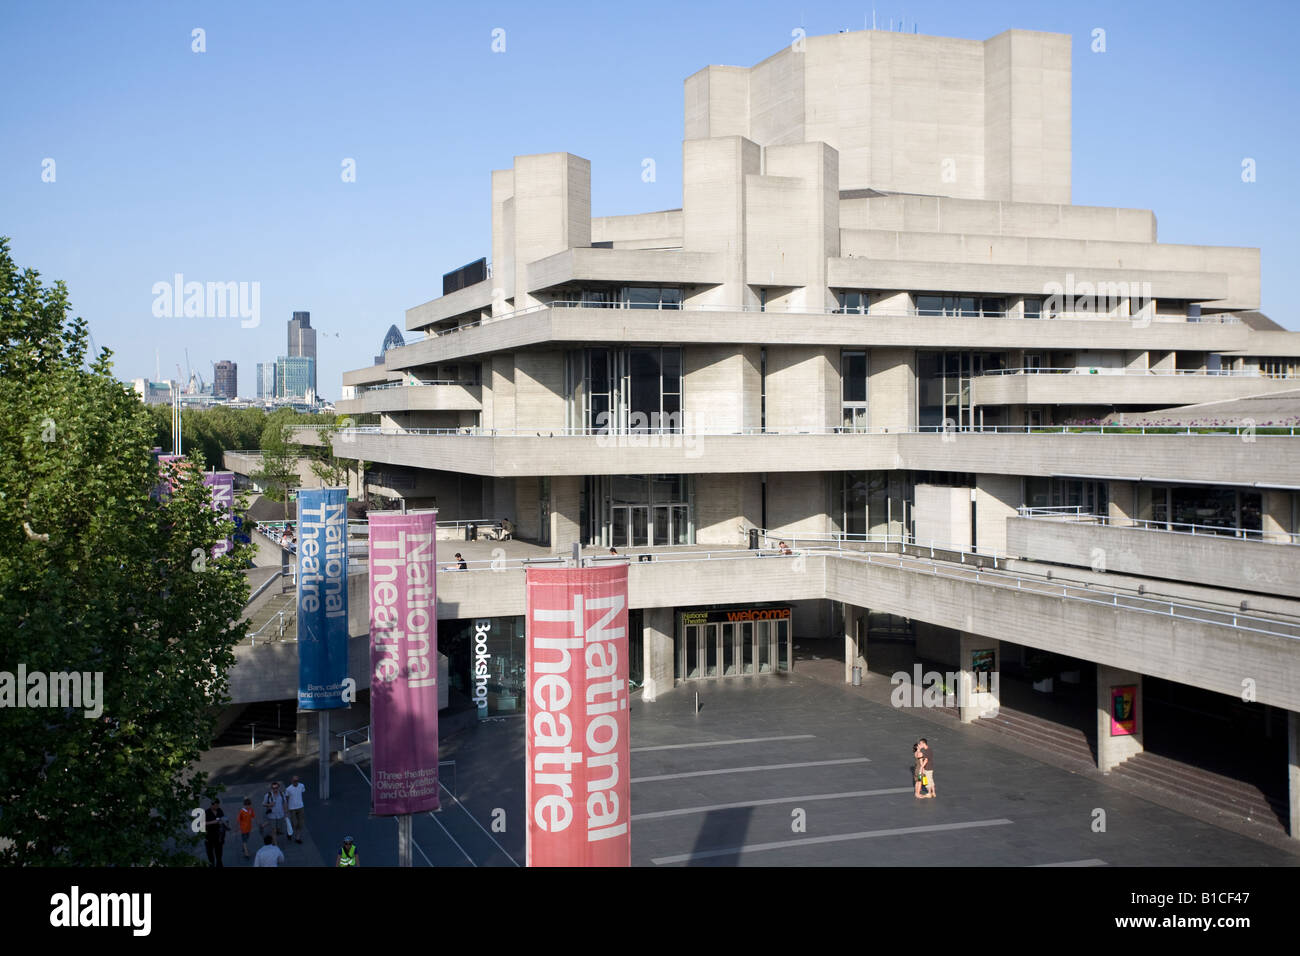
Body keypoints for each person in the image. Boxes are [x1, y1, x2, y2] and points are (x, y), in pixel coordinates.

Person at [204, 797, 228, 867]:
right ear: (212, 805)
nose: (217, 807)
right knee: (210, 856)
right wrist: (214, 822)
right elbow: (203, 823)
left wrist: (225, 823)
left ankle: (219, 864)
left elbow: (223, 819)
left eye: (218, 805)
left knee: (219, 855)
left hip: (219, 837)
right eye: (216, 805)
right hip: (209, 838)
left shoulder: (220, 810)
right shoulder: (207, 812)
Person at [284, 776, 306, 844]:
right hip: (292, 808)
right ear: (292, 781)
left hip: (300, 807)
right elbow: (286, 799)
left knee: (300, 823)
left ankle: (297, 838)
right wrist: (286, 808)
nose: (295, 782)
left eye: (297, 781)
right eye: (294, 781)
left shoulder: (301, 785)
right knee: (294, 823)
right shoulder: (288, 789)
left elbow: (302, 792)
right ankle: (289, 833)